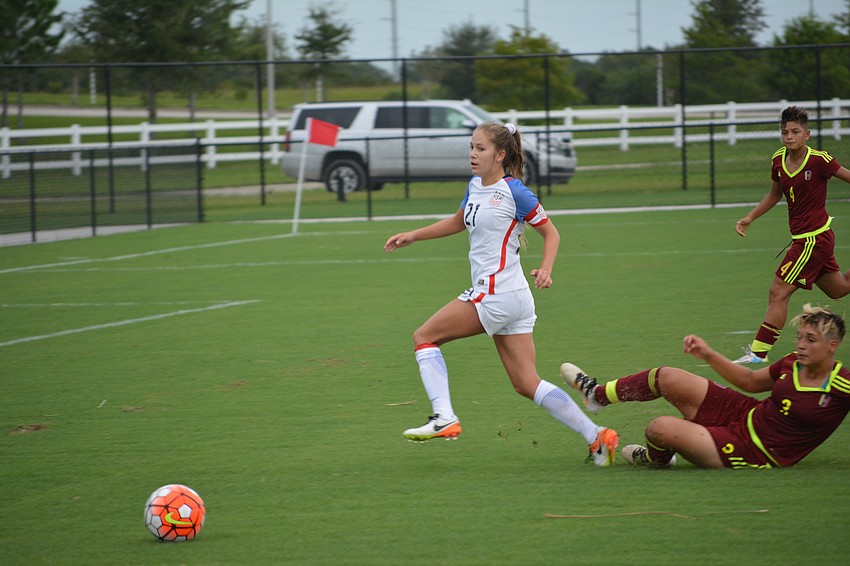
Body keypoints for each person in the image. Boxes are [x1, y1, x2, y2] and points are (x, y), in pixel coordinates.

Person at [383, 122, 619, 466]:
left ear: (501, 154)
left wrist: (547, 268)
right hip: (512, 298)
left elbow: (551, 234)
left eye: (480, 149)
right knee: (526, 383)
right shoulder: (475, 186)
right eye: (471, 147)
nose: (473, 154)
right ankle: (597, 436)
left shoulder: (516, 192)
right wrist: (414, 235)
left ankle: (444, 417)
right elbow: (460, 220)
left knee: (424, 336)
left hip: (497, 294)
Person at [561, 304, 849, 469]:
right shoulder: (791, 363)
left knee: (659, 428)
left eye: (810, 340)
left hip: (754, 450)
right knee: (668, 376)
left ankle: (655, 459)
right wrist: (708, 353)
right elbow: (749, 382)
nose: (800, 345)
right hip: (746, 413)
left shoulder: (842, 385)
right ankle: (597, 396)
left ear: (832, 345)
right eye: (799, 337)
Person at [733, 105, 850, 364]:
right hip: (805, 239)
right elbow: (775, 195)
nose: (789, 136)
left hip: (814, 239)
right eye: (785, 131)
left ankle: (758, 354)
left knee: (778, 291)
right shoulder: (778, 159)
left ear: (806, 135)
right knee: (839, 289)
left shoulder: (820, 160)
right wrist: (750, 217)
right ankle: (758, 353)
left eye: (795, 131)